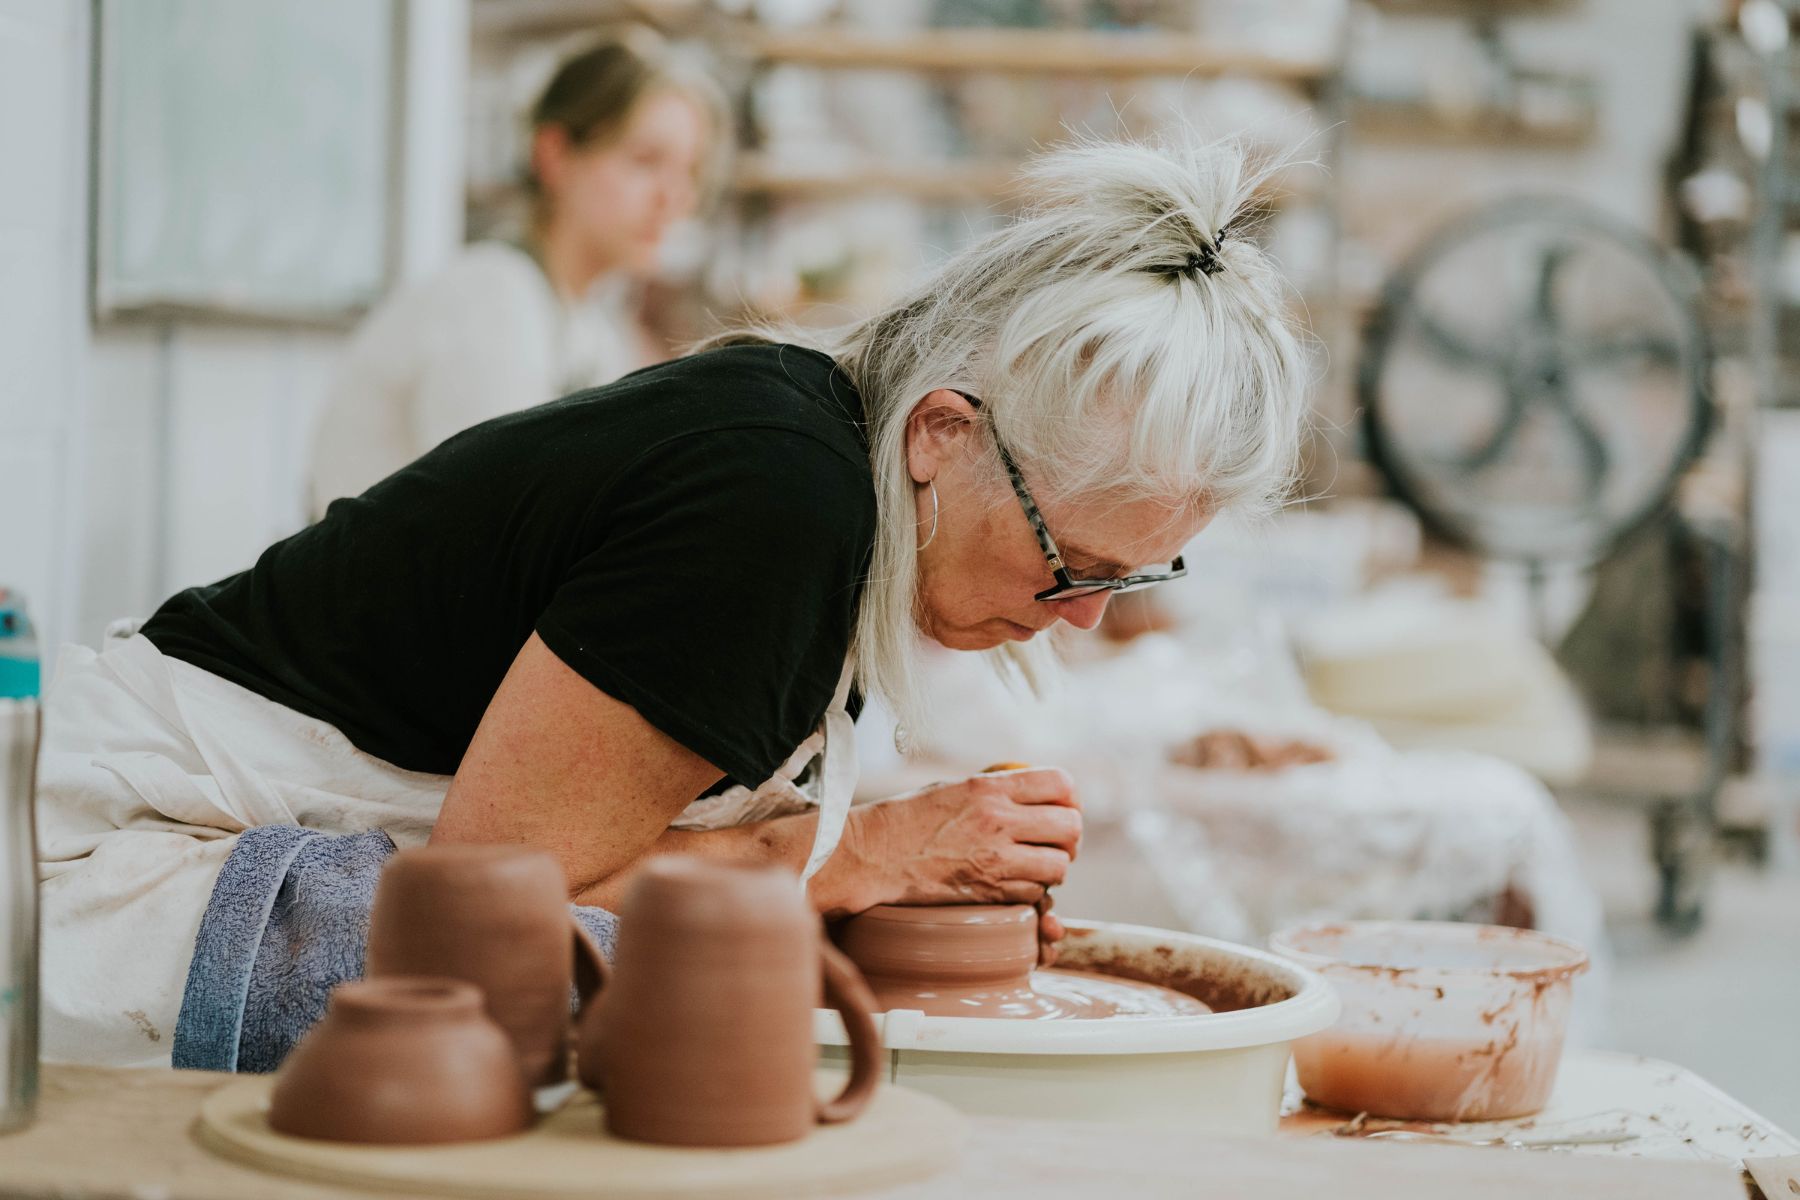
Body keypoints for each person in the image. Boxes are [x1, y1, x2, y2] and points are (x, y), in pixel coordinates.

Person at [37, 135, 1309, 1067]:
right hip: (115, 878)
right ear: (942, 432)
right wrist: (864, 852)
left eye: (1128, 581)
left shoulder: (837, 464)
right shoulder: (776, 503)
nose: (1082, 616)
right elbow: (490, 898)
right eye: (1071, 563)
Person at [306, 32, 719, 515]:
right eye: (646, 161)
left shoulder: (589, 324)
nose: (675, 198)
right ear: (554, 155)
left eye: (689, 171)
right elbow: (500, 528)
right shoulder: (492, 298)